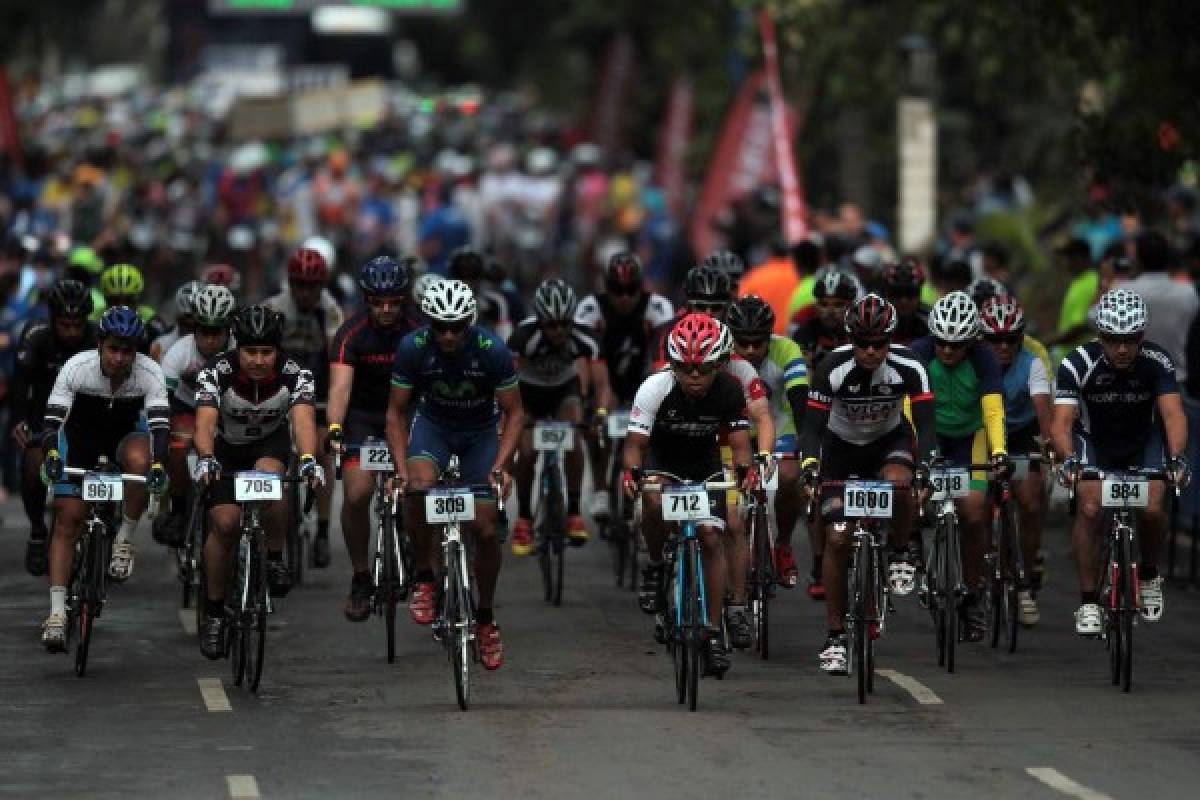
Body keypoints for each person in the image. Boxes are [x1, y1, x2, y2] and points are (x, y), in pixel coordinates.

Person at [385, 279, 524, 671]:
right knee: (418, 486)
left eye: (456, 326)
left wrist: (500, 466)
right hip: (434, 427)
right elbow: (396, 413)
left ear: (469, 322)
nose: (448, 335)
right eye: (439, 327)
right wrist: (398, 469)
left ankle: (484, 617)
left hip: (480, 432)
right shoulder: (413, 347)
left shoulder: (492, 350)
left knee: (483, 527)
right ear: (428, 323)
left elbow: (515, 413)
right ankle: (425, 576)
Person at [797, 294, 938, 675]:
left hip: (887, 442)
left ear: (891, 341)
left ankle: (900, 550)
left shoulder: (910, 365)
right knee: (838, 537)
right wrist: (810, 466)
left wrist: (925, 467)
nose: (872, 352)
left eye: (880, 344)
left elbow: (925, 425)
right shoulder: (832, 367)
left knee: (901, 483)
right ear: (851, 340)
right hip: (841, 449)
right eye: (863, 344)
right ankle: (835, 635)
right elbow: (811, 429)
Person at [623, 313, 762, 676]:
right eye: (685, 369)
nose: (694, 377)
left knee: (711, 535)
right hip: (663, 460)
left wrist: (746, 473)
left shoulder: (730, 390)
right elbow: (636, 445)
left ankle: (713, 631)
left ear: (718, 364)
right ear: (673, 364)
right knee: (652, 499)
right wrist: (633, 474)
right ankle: (655, 565)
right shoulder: (654, 388)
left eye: (703, 369)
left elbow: (739, 444)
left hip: (705, 464)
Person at [1053, 289, 1189, 635]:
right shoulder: (1076, 363)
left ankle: (1147, 573)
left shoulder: (1158, 362)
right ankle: (1087, 600)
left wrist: (1175, 457)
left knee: (1155, 505)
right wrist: (1069, 461)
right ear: (1100, 336)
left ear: (1142, 336)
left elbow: (1172, 415)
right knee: (1090, 509)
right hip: (1094, 443)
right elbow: (1062, 422)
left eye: (1131, 339)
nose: (1123, 349)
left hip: (1143, 442)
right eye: (1114, 340)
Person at [192, 305, 324, 659]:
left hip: (269, 444)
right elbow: (203, 423)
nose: (258, 360)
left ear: (278, 351)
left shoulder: (296, 374)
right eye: (251, 351)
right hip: (226, 448)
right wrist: (205, 458)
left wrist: (310, 459)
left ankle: (275, 556)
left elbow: (303, 423)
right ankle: (216, 614)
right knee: (225, 523)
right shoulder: (216, 371)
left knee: (272, 479)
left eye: (267, 352)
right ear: (238, 348)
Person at [38, 306, 170, 650]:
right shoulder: (76, 369)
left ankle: (124, 539)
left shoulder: (149, 373)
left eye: (128, 350)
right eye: (114, 348)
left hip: (124, 442)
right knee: (68, 518)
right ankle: (56, 613)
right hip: (80, 440)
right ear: (99, 344)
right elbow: (52, 423)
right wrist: (53, 455)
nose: (120, 358)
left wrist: (159, 465)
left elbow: (159, 428)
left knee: (143, 461)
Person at [911, 291, 1011, 643]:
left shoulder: (984, 359)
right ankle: (910, 546)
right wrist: (915, 454)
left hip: (971, 438)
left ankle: (972, 594)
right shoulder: (919, 354)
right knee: (910, 490)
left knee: (972, 511)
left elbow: (994, 410)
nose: (948, 351)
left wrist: (999, 452)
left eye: (957, 345)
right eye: (942, 343)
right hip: (930, 434)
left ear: (971, 342)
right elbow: (907, 408)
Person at [326, 256, 418, 621]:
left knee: (415, 489)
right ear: (366, 300)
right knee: (357, 493)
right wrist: (334, 428)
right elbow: (339, 390)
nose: (385, 310)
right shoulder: (351, 334)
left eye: (393, 302)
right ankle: (361, 576)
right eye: (378, 302)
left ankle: (420, 558)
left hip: (407, 416)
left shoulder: (417, 330)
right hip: (363, 419)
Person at [508, 279, 612, 552]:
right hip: (528, 392)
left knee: (574, 439)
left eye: (565, 324)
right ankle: (524, 518)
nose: (559, 331)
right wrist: (512, 417)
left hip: (563, 389)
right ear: (541, 321)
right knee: (528, 453)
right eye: (551, 325)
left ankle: (574, 512)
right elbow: (506, 380)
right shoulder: (523, 336)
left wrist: (600, 413)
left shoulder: (585, 337)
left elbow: (601, 383)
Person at [574, 252, 674, 519]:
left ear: (641, 287)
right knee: (598, 426)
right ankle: (600, 489)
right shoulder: (590, 308)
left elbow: (664, 354)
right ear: (607, 288)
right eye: (617, 291)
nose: (625, 298)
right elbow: (583, 355)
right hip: (604, 379)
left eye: (631, 290)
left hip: (644, 378)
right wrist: (589, 399)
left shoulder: (658, 307)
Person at [264, 247, 345, 568]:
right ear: (290, 283)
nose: (306, 293)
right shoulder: (275, 307)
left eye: (313, 286)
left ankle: (323, 530)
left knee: (325, 449)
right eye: (300, 285)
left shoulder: (330, 310)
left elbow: (336, 357)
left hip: (319, 385)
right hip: (280, 385)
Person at [10, 280, 96, 576]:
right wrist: (19, 421)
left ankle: (104, 526)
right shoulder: (36, 337)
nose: (72, 332)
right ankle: (37, 530)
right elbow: (20, 384)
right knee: (33, 467)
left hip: (88, 418)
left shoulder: (99, 339)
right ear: (52, 320)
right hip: (44, 417)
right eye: (65, 325)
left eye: (77, 325)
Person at [979, 295, 1053, 625]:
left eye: (1011, 339)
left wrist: (1049, 444)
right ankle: (978, 567)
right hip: (982, 435)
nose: (1004, 346)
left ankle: (1026, 579)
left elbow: (1042, 406)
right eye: (995, 339)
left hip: (1021, 435)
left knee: (1030, 500)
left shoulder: (1032, 362)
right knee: (975, 501)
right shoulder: (974, 361)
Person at [726, 295, 808, 589]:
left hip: (779, 427)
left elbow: (800, 404)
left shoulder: (786, 350)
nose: (749, 350)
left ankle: (783, 543)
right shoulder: (721, 353)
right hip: (734, 430)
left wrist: (809, 449)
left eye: (757, 342)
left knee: (788, 476)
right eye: (742, 342)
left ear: (769, 337)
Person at [155, 284, 237, 546]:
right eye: (204, 332)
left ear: (229, 329)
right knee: (178, 445)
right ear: (194, 327)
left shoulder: (240, 351)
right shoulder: (179, 352)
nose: (210, 340)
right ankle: (179, 510)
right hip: (188, 409)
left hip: (228, 412)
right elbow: (162, 402)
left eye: (218, 332)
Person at [1124, 231, 1199, 384]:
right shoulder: (1188, 293)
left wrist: (1105, 284)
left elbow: (1091, 318)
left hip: (1135, 384)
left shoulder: (1123, 291)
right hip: (1177, 380)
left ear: (1137, 259)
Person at [788, 267, 861, 371]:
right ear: (816, 306)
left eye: (838, 305)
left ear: (851, 306)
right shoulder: (804, 334)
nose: (830, 311)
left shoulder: (860, 333)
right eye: (824, 304)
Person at [1046, 238, 1099, 357]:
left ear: (1082, 258)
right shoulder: (1079, 282)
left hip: (1081, 360)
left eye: (1070, 258)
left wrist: (1049, 342)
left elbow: (1079, 327)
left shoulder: (1089, 283)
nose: (1066, 263)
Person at [736, 241, 798, 333]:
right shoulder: (797, 275)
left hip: (764, 335)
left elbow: (739, 303)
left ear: (770, 253)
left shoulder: (755, 276)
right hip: (792, 333)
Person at [882, 257, 930, 345]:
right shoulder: (876, 320)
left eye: (910, 293)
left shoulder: (931, 320)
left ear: (919, 294)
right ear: (887, 294)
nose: (904, 301)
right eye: (897, 293)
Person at [150, 280, 201, 362]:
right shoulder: (160, 345)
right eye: (187, 316)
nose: (192, 322)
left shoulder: (213, 343)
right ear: (178, 317)